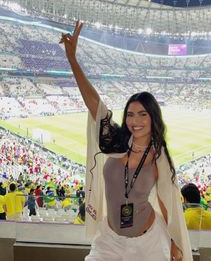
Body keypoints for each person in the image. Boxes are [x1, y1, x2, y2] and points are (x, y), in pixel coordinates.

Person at [60, 21, 192, 261]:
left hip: (149, 242)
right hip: (109, 239)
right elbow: (95, 105)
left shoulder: (157, 155)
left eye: (143, 114)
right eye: (130, 114)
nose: (135, 120)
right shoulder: (117, 142)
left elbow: (165, 202)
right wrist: (72, 59)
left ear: (153, 117)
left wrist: (174, 242)